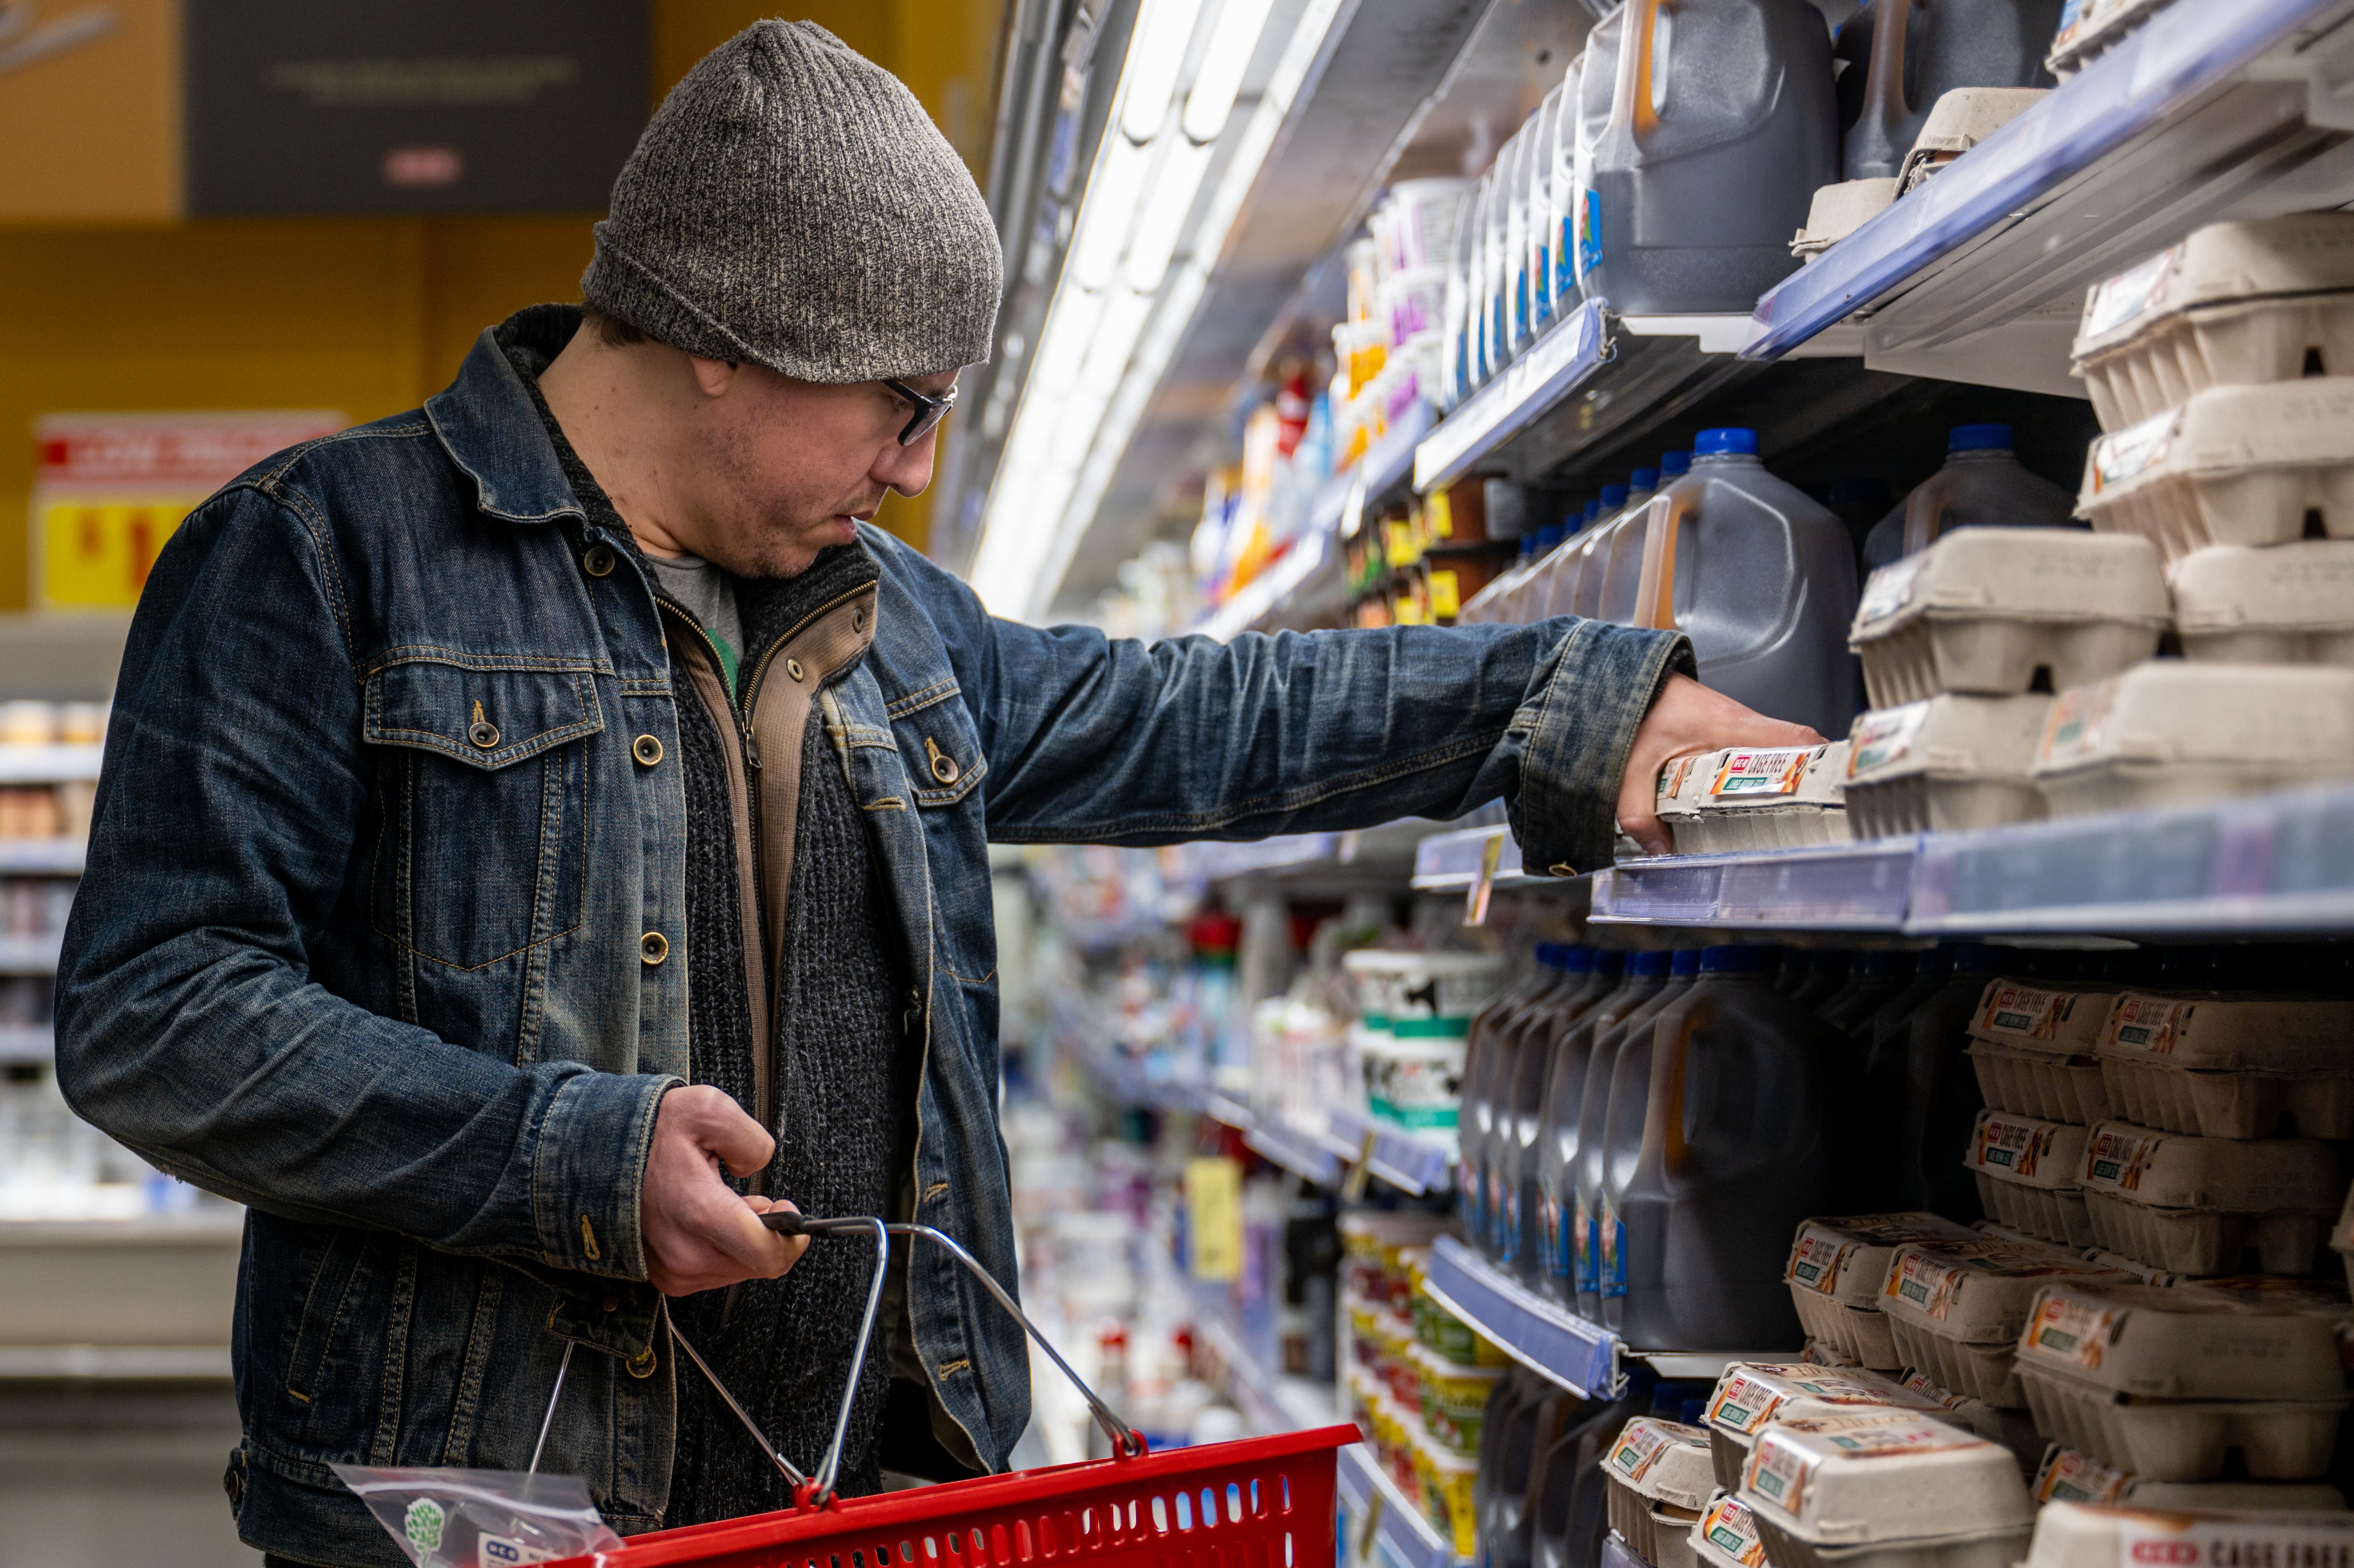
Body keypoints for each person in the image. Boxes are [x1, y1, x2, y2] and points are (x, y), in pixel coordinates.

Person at [53, 20, 1816, 1567]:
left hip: (872, 1498)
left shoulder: (885, 629)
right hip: (500, 1509)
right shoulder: (319, 558)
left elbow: (1195, 715)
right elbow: (157, 1011)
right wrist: (569, 1156)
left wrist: (1567, 697)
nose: (909, 471)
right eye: (895, 409)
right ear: (722, 337)